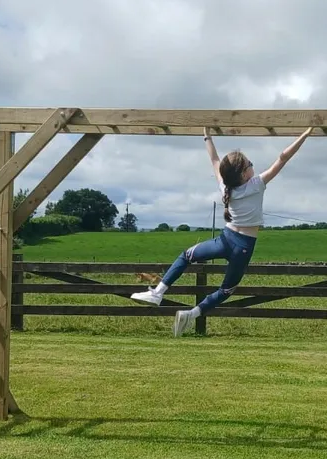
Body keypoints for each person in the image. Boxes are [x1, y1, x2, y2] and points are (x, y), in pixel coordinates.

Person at [131, 125, 315, 335]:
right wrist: (305, 135)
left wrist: (207, 136)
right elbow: (283, 158)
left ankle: (158, 292)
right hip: (243, 246)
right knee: (227, 289)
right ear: (245, 174)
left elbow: (214, 160)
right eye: (250, 165)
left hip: (225, 239)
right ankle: (192, 314)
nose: (252, 166)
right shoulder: (257, 184)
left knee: (186, 256)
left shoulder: (225, 188)